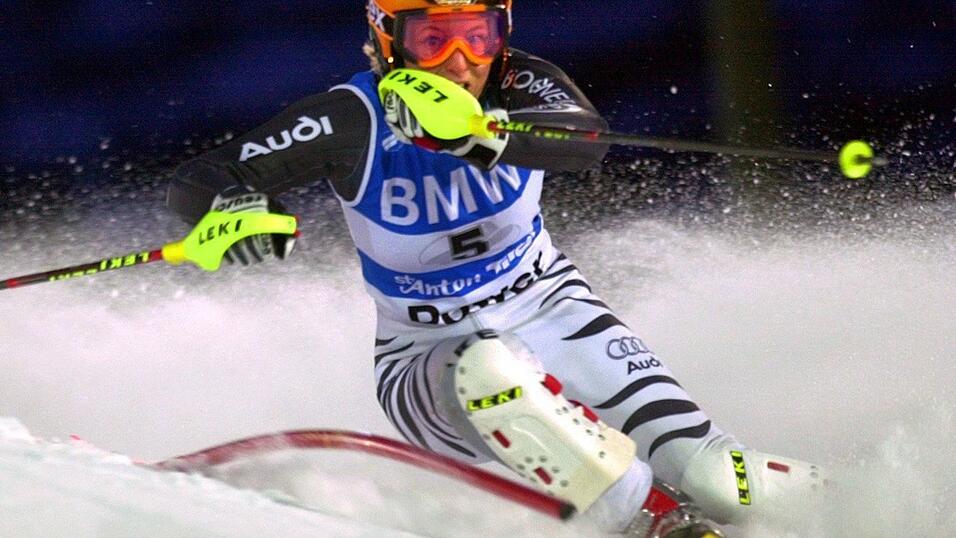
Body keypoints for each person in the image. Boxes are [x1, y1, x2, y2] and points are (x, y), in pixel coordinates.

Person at [166, 1, 824, 536]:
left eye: (478, 36)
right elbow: (201, 181)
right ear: (389, 41)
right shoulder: (351, 118)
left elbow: (585, 142)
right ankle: (651, 523)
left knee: (719, 479)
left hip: (554, 309)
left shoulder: (520, 83)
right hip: (426, 357)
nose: (460, 61)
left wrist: (481, 134)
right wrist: (236, 212)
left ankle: (848, 503)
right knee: (491, 371)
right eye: (433, 40)